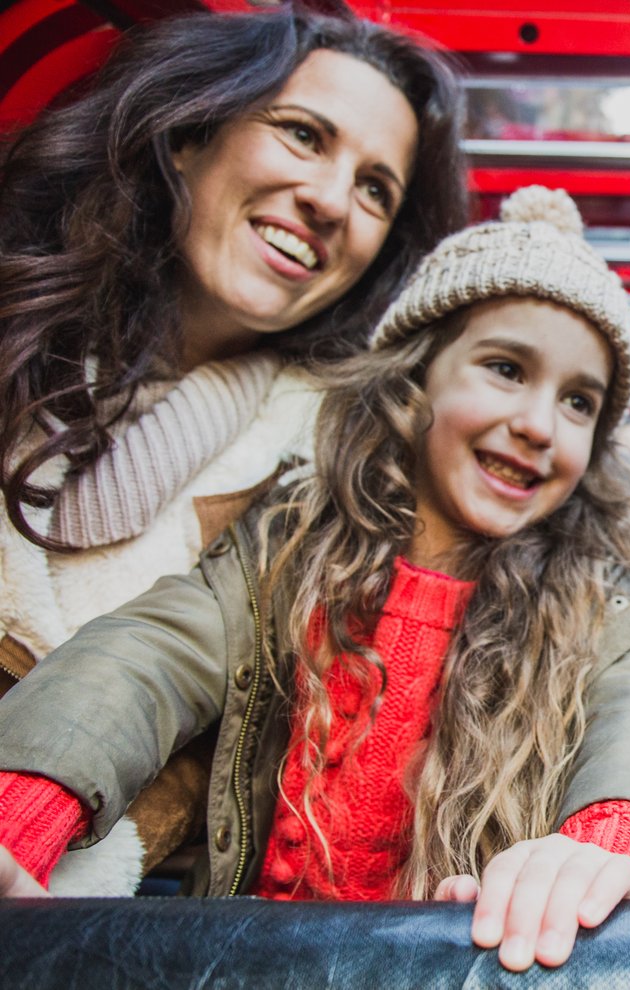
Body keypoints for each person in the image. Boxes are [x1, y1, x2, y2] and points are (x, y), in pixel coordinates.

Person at [0, 186, 630, 974]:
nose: (540, 424)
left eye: (579, 402)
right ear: (416, 374)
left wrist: (607, 843)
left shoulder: (599, 601)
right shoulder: (292, 543)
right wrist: (24, 801)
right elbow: (146, 659)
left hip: (474, 962)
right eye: (505, 369)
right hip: (266, 961)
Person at [0, 8, 466, 887]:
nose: (330, 201)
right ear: (190, 137)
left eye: (375, 190)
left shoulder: (351, 468)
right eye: (301, 135)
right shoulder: (17, 329)